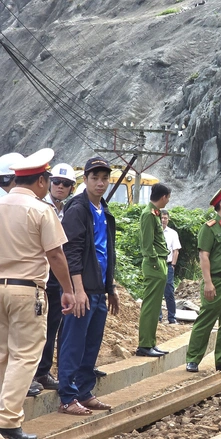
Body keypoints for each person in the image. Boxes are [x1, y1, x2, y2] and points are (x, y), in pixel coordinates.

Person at [0, 148, 82, 439]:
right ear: (41, 182)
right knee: (24, 357)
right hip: (26, 291)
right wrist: (69, 291)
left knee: (2, 355)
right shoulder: (40, 209)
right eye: (48, 180)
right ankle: (9, 423)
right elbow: (56, 255)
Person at [57, 157, 119, 416]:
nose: (100, 182)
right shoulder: (78, 208)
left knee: (91, 343)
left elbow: (107, 252)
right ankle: (67, 396)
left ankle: (84, 390)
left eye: (104, 178)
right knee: (73, 342)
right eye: (95, 177)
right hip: (81, 289)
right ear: (85, 180)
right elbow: (71, 250)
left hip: (98, 288)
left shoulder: (103, 210)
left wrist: (110, 287)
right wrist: (77, 289)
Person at [185, 182, 221, 373]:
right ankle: (193, 359)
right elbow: (204, 256)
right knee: (206, 320)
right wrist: (208, 283)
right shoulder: (209, 228)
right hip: (217, 281)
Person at [30, 163, 77, 395]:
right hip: (38, 275)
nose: (60, 186)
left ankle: (43, 371)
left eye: (65, 184)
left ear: (71, 188)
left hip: (56, 276)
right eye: (57, 182)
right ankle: (27, 375)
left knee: (52, 325)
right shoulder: (39, 207)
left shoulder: (68, 210)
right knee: (32, 328)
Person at [136, 183, 172, 357]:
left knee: (156, 305)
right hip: (154, 264)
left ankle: (150, 342)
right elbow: (147, 244)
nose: (168, 200)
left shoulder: (155, 214)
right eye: (168, 197)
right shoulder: (148, 215)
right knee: (150, 306)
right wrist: (156, 262)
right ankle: (144, 344)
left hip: (159, 263)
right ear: (164, 197)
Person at [160, 209, 181, 324]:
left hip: (168, 265)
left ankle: (172, 318)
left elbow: (176, 250)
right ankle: (158, 318)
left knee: (169, 291)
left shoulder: (173, 233)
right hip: (157, 265)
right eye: (162, 218)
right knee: (157, 290)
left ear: (168, 219)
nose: (163, 220)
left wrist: (173, 264)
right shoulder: (154, 231)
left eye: (165, 218)